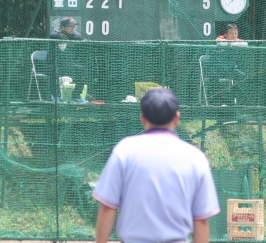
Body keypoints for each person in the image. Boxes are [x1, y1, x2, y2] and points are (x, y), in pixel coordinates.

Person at [92, 88, 220, 243]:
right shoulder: (195, 158)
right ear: (177, 118)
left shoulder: (125, 150)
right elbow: (201, 220)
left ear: (143, 118)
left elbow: (108, 207)